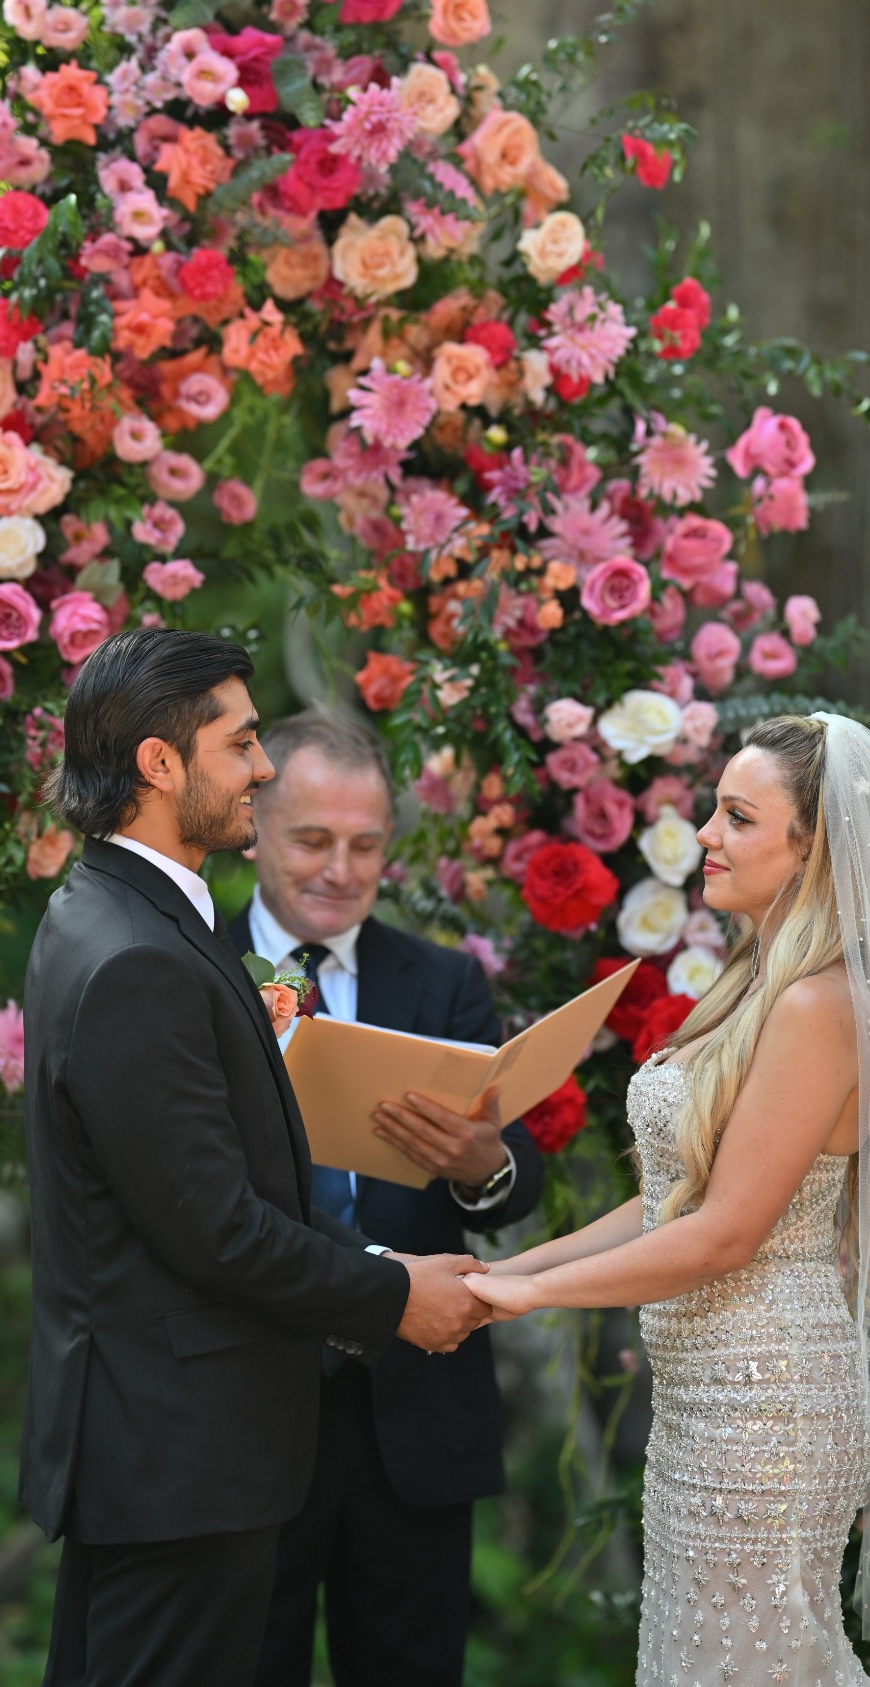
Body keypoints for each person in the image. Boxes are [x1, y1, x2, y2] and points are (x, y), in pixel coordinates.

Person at [20, 631, 488, 1687]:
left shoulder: (106, 915)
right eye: (239, 746)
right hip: (180, 1459)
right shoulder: (139, 955)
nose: (263, 769)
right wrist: (390, 1292)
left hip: (162, 1448)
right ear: (159, 763)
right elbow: (216, 1228)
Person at [465, 713, 870, 1683]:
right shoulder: (750, 982)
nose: (705, 836)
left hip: (766, 1407)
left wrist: (530, 1299)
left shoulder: (818, 1004)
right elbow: (670, 1201)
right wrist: (503, 1270)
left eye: (737, 817)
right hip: (706, 1404)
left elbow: (726, 1235)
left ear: (811, 847)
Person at [231, 710, 544, 1687]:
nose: (341, 869)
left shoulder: (443, 981)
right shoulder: (185, 968)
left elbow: (510, 1185)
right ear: (254, 828)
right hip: (245, 1404)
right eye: (313, 840)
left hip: (413, 1409)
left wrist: (477, 1162)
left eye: (366, 845)